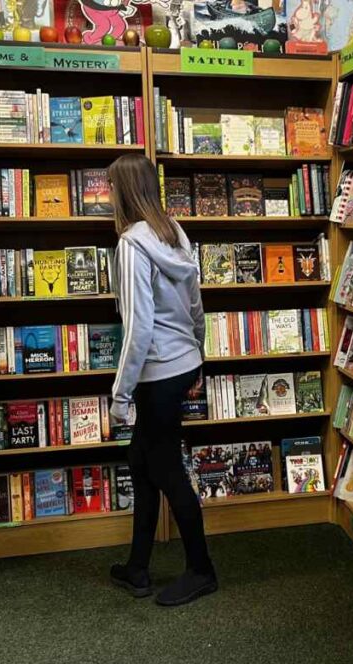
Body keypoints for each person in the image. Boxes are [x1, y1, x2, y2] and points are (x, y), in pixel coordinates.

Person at [106, 154, 217, 606]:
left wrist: (120, 394)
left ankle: (201, 569)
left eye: (111, 187)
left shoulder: (132, 245)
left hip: (157, 373)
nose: (108, 195)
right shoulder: (174, 232)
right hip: (182, 362)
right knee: (142, 460)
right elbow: (195, 304)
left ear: (124, 191)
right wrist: (198, 350)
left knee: (166, 467)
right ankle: (137, 567)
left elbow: (138, 327)